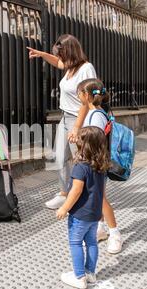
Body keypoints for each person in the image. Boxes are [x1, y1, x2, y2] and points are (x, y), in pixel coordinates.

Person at [27, 34, 97, 210]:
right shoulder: (70, 67)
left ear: (70, 51)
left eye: (61, 54)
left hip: (79, 121)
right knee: (59, 157)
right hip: (65, 118)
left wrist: (76, 128)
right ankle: (65, 193)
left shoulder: (86, 69)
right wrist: (42, 54)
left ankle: (86, 198)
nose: (59, 58)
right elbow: (58, 63)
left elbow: (87, 102)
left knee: (81, 161)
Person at [56, 126, 110, 289]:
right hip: (94, 214)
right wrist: (100, 213)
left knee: (76, 243)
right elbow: (101, 191)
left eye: (79, 139)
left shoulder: (80, 166)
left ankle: (79, 277)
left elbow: (76, 190)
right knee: (92, 242)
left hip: (80, 215)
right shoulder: (101, 166)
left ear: (84, 145)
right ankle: (90, 274)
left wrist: (64, 208)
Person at [76, 78, 123, 254]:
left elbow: (94, 142)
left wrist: (79, 139)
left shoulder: (95, 116)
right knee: (98, 197)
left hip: (95, 163)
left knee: (100, 199)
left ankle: (115, 233)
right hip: (98, 162)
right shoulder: (98, 112)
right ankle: (100, 228)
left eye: (79, 94)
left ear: (87, 96)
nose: (78, 97)